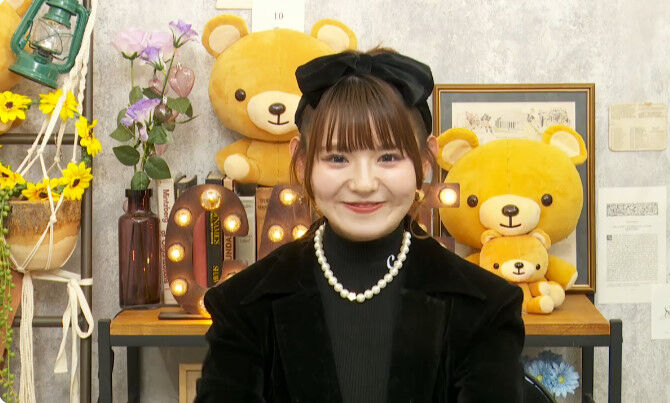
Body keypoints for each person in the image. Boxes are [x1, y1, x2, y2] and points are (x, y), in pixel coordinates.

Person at [196, 48, 525, 403]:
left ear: (425, 161)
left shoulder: (485, 306)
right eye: (338, 158)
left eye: (388, 157)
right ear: (302, 162)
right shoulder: (242, 304)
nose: (364, 183)